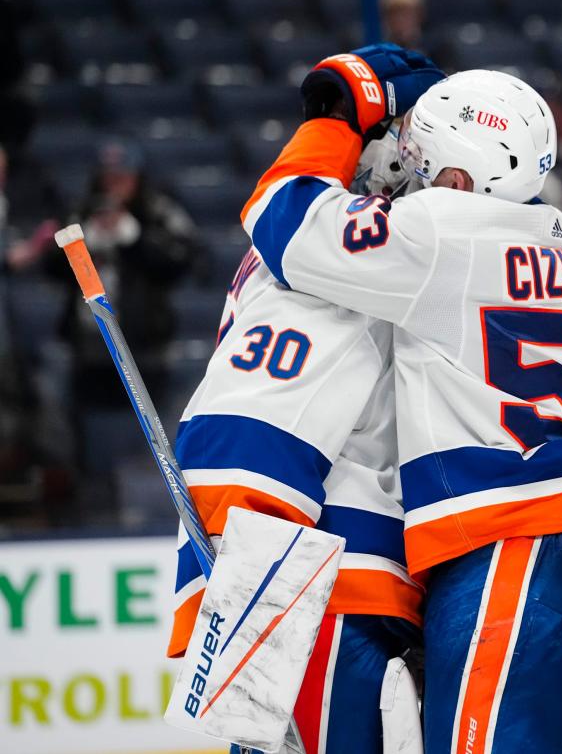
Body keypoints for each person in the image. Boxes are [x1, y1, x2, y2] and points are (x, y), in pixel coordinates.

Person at [240, 53, 562, 752]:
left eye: (420, 160)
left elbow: (283, 222)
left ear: (457, 180)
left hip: (512, 549)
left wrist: (336, 120)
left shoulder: (440, 231)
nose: (404, 175)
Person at [170, 47, 445, 753]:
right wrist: (254, 613)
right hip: (327, 591)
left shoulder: (337, 244)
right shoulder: (336, 254)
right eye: (420, 135)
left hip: (335, 587)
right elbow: (250, 434)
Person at [51, 138, 199, 520]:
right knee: (89, 450)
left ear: (137, 176)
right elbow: (48, 269)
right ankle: (91, 516)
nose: (115, 184)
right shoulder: (80, 211)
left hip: (145, 352)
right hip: (89, 354)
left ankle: (158, 516)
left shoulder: (157, 211)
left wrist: (133, 238)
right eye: (109, 176)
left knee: (150, 442)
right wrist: (80, 245)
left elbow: (185, 259)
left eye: (123, 176)